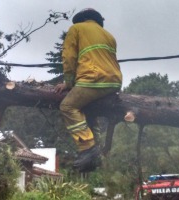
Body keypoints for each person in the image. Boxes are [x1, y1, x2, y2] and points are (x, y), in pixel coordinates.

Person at [55, 8, 122, 172]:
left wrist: (69, 83)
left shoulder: (76, 28)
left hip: (93, 79)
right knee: (88, 109)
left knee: (68, 106)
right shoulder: (109, 36)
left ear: (82, 19)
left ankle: (88, 148)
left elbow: (69, 56)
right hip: (114, 82)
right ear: (98, 21)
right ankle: (95, 154)